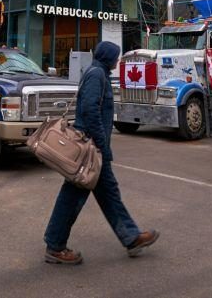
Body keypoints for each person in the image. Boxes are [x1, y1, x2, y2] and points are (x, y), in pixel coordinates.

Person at [43, 40, 159, 265]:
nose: (118, 60)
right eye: (116, 56)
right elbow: (89, 110)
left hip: (93, 148)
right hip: (91, 150)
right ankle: (55, 245)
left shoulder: (98, 72)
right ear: (108, 57)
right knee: (74, 195)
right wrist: (102, 147)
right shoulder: (97, 75)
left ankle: (131, 237)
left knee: (108, 194)